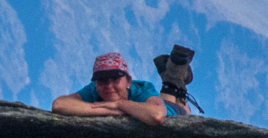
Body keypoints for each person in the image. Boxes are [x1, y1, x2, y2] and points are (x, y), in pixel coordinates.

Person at [51, 52, 184, 126]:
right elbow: (59, 104)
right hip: (149, 103)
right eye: (102, 80)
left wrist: (118, 104)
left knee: (179, 103)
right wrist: (112, 110)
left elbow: (157, 116)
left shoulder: (143, 88)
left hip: (170, 108)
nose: (109, 86)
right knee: (167, 93)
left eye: (115, 79)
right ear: (96, 83)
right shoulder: (93, 89)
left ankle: (174, 79)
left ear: (128, 81)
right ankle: (170, 76)